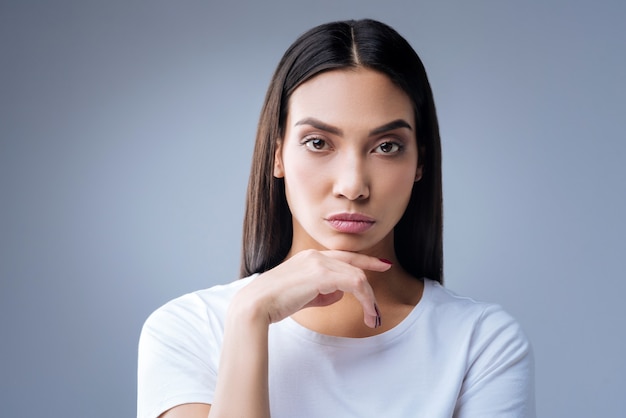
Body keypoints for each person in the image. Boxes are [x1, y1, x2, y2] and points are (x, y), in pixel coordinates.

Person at [137, 18, 535, 418]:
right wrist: (249, 318)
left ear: (420, 163)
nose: (352, 186)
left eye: (387, 147)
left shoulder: (482, 343)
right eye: (318, 142)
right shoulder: (189, 330)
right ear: (277, 155)